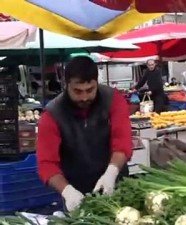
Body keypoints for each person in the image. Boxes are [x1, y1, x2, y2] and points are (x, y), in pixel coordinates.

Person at [36, 56, 132, 212]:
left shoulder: (113, 99)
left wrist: (111, 173)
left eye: (90, 90)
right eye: (77, 91)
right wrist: (67, 191)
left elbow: (122, 141)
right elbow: (46, 164)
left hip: (116, 185)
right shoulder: (52, 115)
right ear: (66, 85)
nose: (84, 97)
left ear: (96, 82)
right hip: (77, 192)